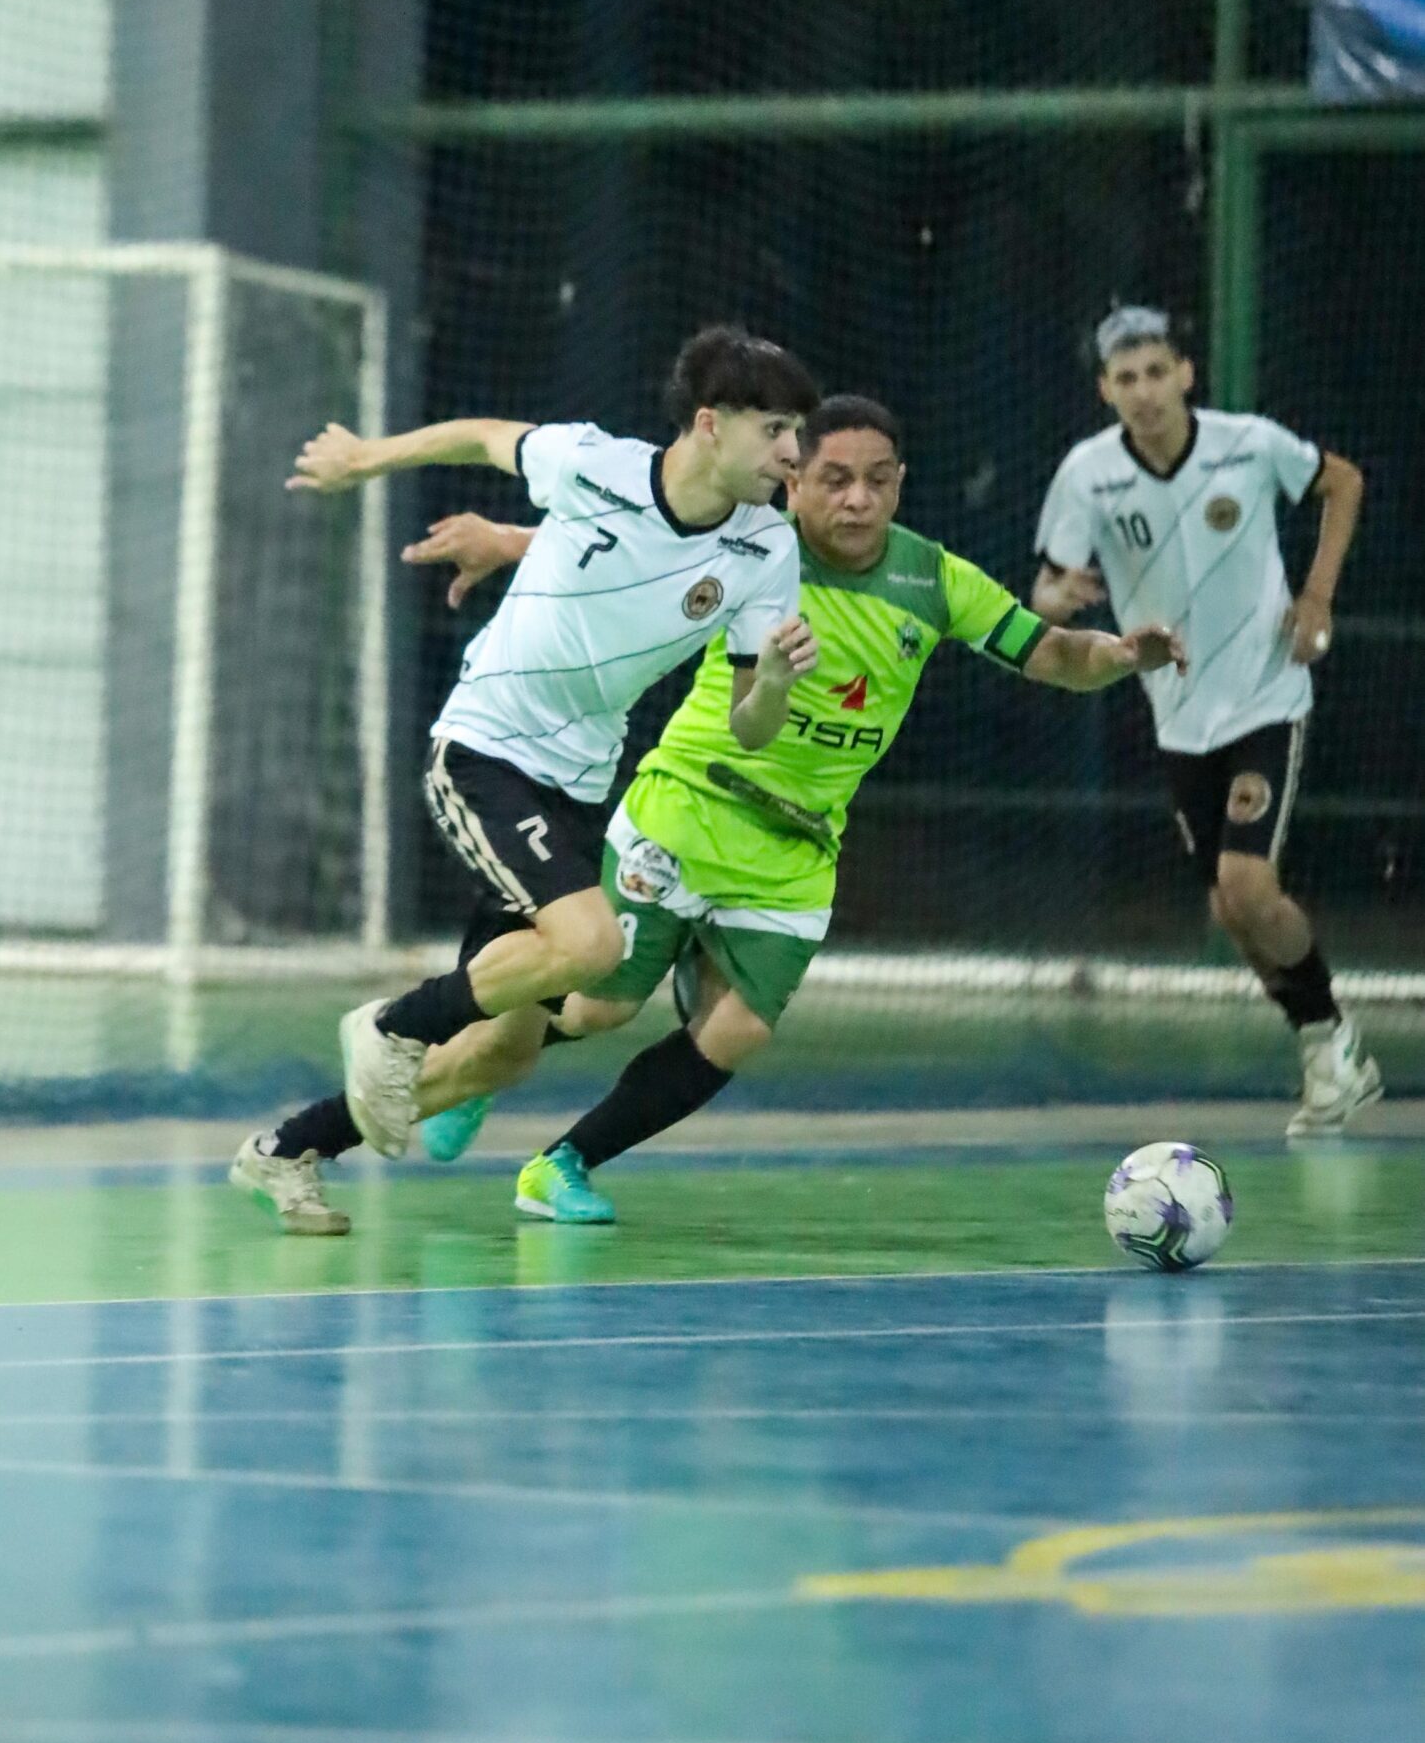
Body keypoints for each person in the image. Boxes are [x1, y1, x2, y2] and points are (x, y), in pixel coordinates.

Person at [397, 394, 1186, 1224]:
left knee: (738, 1031)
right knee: (601, 1005)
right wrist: (507, 540)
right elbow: (630, 558)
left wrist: (1122, 657)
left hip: (799, 850)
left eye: (879, 481)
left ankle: (562, 1165)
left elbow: (1055, 651)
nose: (858, 499)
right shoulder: (753, 547)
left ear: (901, 484)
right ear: (795, 481)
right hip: (690, 809)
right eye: (836, 480)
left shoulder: (934, 579)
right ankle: (474, 1057)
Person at [230, 324, 818, 1234]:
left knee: (500, 1054)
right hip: (489, 747)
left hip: (580, 784)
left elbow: (752, 725)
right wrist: (362, 459)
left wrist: (775, 680)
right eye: (776, 429)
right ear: (711, 424)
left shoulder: (765, 552)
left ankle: (286, 1151)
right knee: (592, 949)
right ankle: (390, 1026)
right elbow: (475, 435)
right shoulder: (593, 465)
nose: (793, 453)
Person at [1031, 303, 1379, 1139]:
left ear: (1185, 374)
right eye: (1126, 378)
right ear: (1105, 390)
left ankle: (1331, 1041)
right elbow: (1047, 585)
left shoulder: (1248, 443)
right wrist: (1058, 598)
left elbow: (1343, 481)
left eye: (1157, 372)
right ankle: (1329, 1049)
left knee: (1247, 885)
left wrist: (1317, 595)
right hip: (1178, 715)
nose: (1144, 391)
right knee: (1231, 910)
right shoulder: (1087, 474)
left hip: (1267, 694)